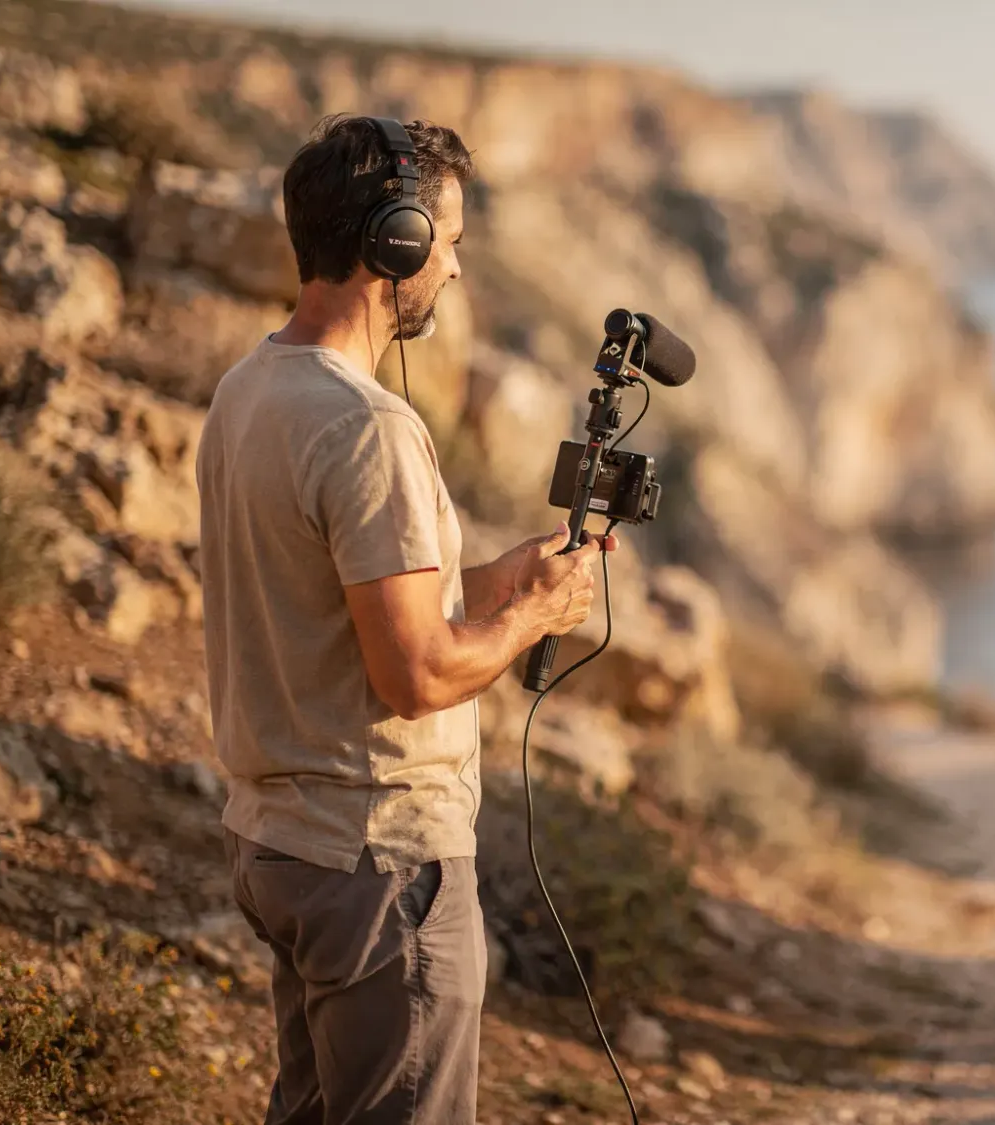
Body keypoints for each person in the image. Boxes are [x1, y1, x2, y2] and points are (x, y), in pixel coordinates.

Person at [196, 114, 611, 1124]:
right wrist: (535, 617)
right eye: (450, 244)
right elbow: (417, 676)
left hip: (285, 849)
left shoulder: (248, 390)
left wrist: (483, 585)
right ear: (397, 244)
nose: (456, 272)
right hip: (380, 866)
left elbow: (333, 606)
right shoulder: (367, 429)